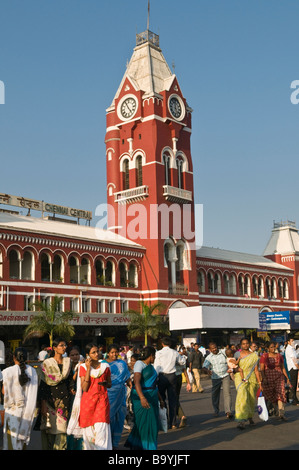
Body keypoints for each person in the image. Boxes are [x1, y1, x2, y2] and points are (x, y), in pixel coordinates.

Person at [67, 343, 112, 450]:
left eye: (97, 351)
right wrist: (88, 369)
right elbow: (85, 388)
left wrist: (106, 384)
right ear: (88, 355)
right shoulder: (83, 367)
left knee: (102, 432)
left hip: (102, 402)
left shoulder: (105, 367)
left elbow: (110, 384)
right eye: (93, 352)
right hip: (88, 404)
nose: (97, 354)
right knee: (89, 437)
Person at [124, 346, 165, 450]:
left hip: (152, 397)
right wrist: (142, 398)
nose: (155, 358)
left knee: (150, 424)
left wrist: (160, 399)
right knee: (145, 424)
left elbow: (154, 384)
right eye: (154, 356)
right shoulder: (139, 364)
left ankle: (139, 446)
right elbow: (136, 382)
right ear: (151, 356)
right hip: (142, 398)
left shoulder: (150, 366)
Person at [38, 337, 74, 450]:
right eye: (61, 345)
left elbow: (70, 382)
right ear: (54, 348)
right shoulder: (47, 364)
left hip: (64, 401)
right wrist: (43, 404)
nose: (64, 348)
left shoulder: (68, 362)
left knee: (62, 432)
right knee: (49, 432)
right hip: (50, 401)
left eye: (65, 346)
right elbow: (43, 386)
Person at [2, 347, 38, 450]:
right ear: (27, 357)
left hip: (12, 413)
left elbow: (4, 392)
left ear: (14, 357)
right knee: (22, 444)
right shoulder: (33, 371)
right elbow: (33, 395)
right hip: (27, 413)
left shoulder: (7, 371)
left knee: (11, 443)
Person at [154, 337, 186, 429]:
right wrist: (183, 356)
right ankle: (173, 423)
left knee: (162, 400)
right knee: (172, 400)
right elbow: (182, 362)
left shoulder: (158, 353)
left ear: (162, 343)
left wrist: (155, 379)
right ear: (170, 344)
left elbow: (156, 367)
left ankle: (164, 422)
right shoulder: (174, 352)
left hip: (162, 376)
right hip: (172, 376)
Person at [103, 343, 131, 449]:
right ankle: (107, 442)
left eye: (116, 352)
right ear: (108, 353)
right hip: (109, 393)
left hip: (121, 392)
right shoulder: (103, 364)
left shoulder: (122, 363)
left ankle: (115, 443)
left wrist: (131, 385)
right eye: (112, 352)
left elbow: (127, 376)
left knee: (120, 417)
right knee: (109, 418)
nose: (114, 354)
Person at [234, 338, 261, 430]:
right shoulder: (237, 354)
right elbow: (233, 367)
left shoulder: (254, 356)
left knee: (251, 399)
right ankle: (241, 419)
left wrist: (260, 382)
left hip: (252, 378)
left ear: (249, 345)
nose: (245, 345)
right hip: (240, 378)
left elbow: (256, 370)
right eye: (243, 344)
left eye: (247, 343)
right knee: (242, 396)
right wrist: (238, 369)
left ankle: (249, 417)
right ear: (241, 345)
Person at [260, 341, 290, 421]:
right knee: (271, 395)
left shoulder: (279, 356)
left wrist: (287, 378)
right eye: (271, 347)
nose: (273, 349)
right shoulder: (264, 356)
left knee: (281, 393)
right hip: (268, 378)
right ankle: (276, 411)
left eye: (274, 347)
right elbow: (262, 369)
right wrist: (264, 378)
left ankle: (281, 413)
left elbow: (282, 367)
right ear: (268, 348)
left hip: (279, 377)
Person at [202, 342, 233, 419]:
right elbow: (204, 367)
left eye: (215, 347)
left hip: (225, 375)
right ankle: (216, 410)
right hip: (215, 377)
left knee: (227, 393)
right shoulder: (209, 357)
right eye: (212, 348)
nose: (215, 349)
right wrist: (207, 371)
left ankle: (228, 411)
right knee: (215, 394)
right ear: (210, 350)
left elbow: (229, 353)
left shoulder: (223, 353)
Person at [67, 346, 84, 450]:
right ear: (69, 356)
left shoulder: (84, 366)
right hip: (70, 398)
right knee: (71, 420)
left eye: (76, 354)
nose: (75, 357)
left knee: (81, 420)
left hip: (82, 397)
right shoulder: (67, 367)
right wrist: (77, 371)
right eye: (72, 355)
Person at [175, 346, 191, 428]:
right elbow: (184, 371)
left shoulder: (173, 357)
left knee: (173, 398)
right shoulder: (181, 359)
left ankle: (181, 416)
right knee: (176, 397)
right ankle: (178, 416)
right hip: (179, 378)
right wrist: (188, 383)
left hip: (172, 378)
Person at [284, 336, 299, 405]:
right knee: (293, 384)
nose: (293, 342)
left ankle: (294, 398)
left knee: (294, 384)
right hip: (293, 368)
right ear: (288, 342)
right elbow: (294, 360)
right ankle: (293, 399)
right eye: (292, 341)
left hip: (294, 368)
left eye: (293, 341)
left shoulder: (292, 348)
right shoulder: (289, 349)